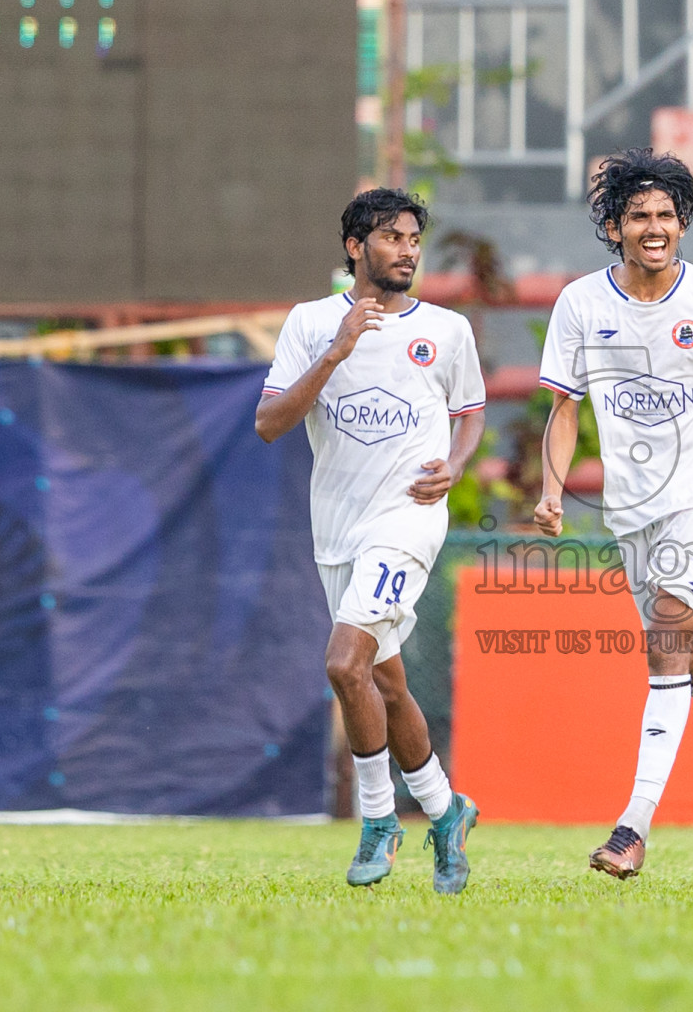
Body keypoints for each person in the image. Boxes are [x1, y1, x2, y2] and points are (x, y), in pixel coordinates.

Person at [533, 148, 693, 879]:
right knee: (678, 648)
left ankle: (632, 825)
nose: (654, 228)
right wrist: (553, 490)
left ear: (683, 225)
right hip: (631, 506)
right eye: (639, 216)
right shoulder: (581, 304)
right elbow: (563, 407)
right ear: (613, 226)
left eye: (666, 216)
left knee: (668, 635)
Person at [256, 188, 485, 894]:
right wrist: (335, 353)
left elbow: (470, 413)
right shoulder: (311, 323)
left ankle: (379, 820)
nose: (408, 250)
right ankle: (448, 812)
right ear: (356, 247)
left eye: (414, 238)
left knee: (343, 664)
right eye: (391, 237)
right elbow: (270, 423)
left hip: (407, 520)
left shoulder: (446, 331)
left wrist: (456, 461)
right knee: (384, 683)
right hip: (337, 529)